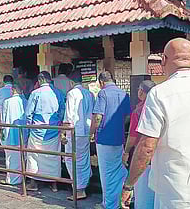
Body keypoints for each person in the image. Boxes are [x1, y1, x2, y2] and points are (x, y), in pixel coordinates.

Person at [121, 38, 190, 209]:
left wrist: (129, 185)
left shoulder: (159, 94)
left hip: (173, 193)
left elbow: (147, 146)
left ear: (163, 61)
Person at [90, 71, 131, 209]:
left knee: (106, 173)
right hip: (118, 138)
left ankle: (109, 204)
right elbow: (127, 117)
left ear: (101, 82)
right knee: (117, 169)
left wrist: (92, 132)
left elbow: (98, 117)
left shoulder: (103, 93)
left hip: (104, 138)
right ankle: (120, 199)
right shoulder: (124, 94)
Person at [25, 71, 65, 192]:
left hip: (37, 130)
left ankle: (33, 183)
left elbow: (28, 113)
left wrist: (29, 127)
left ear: (40, 80)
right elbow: (62, 111)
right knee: (53, 157)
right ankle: (54, 184)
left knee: (34, 156)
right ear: (49, 79)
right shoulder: (58, 93)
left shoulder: (35, 93)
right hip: (53, 130)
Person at [61, 68, 95, 201]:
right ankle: (85, 181)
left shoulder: (72, 93)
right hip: (86, 130)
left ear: (71, 81)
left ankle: (79, 189)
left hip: (75, 131)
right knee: (84, 158)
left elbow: (69, 116)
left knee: (71, 159)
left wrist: (63, 133)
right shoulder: (89, 94)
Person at [122, 80, 156, 209]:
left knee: (142, 195)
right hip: (158, 157)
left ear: (141, 92)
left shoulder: (139, 110)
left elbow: (132, 136)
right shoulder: (161, 107)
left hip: (142, 156)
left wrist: (126, 152)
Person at [0, 87, 28, 185]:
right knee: (23, 155)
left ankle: (13, 179)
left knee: (11, 157)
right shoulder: (25, 101)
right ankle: (24, 176)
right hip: (24, 132)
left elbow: (2, 119)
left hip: (10, 132)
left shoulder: (7, 102)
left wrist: (1, 130)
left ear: (12, 90)